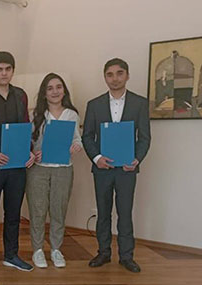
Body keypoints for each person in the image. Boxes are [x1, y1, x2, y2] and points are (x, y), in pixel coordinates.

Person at [82, 58, 151, 273]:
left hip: (127, 169)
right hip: (102, 169)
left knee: (125, 213)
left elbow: (145, 137)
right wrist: (97, 158)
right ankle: (103, 252)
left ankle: (126, 256)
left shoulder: (140, 103)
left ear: (127, 75)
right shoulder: (94, 104)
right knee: (103, 212)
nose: (115, 78)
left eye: (119, 73)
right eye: (110, 74)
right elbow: (87, 136)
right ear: (105, 77)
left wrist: (137, 159)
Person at [0, 51, 36, 276]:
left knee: (13, 213)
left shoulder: (20, 95)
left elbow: (25, 125)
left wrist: (29, 151)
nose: (3, 73)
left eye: (8, 69)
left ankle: (11, 255)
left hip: (17, 165)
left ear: (13, 71)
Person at [26, 73, 83, 268]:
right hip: (38, 170)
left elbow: (77, 139)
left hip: (63, 169)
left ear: (64, 91)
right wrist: (32, 152)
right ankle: (38, 250)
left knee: (59, 210)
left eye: (58, 87)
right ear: (44, 93)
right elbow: (28, 142)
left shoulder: (72, 115)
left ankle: (56, 249)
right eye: (50, 88)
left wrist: (76, 146)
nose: (55, 91)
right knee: (38, 211)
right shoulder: (35, 115)